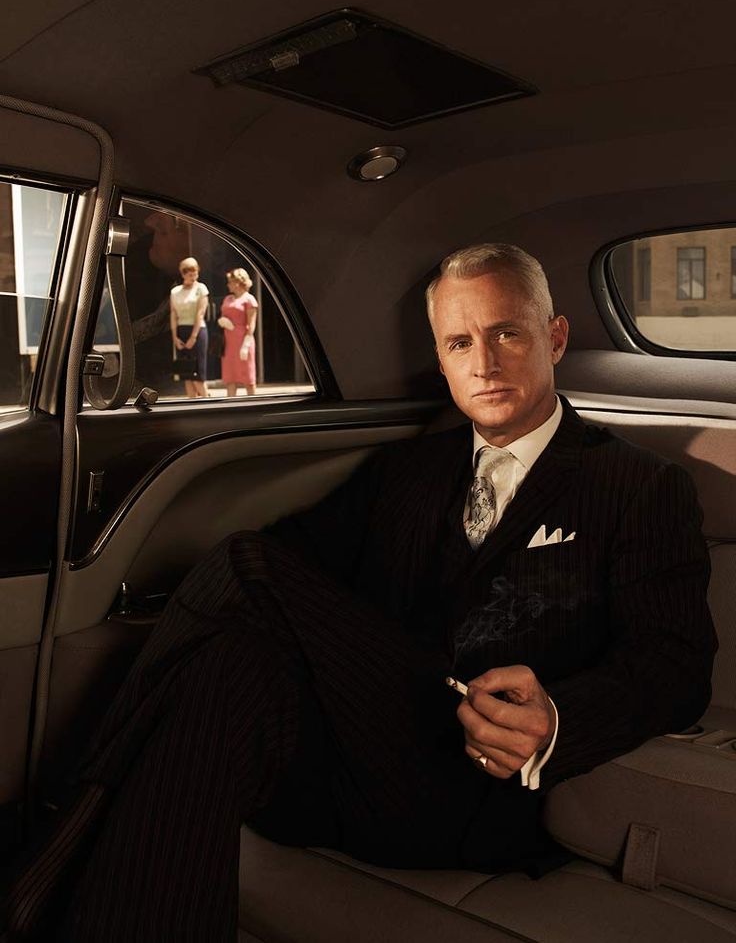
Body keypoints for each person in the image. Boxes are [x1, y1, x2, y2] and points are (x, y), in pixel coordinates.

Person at [4, 244, 716, 942]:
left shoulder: (640, 486)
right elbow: (299, 568)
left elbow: (675, 664)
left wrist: (557, 721)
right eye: (460, 342)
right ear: (440, 360)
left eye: (507, 333)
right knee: (226, 667)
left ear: (553, 338)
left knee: (246, 564)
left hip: (483, 793)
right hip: (358, 758)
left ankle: (60, 837)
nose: (484, 362)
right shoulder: (406, 471)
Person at [170, 256, 209, 398]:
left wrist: (193, 337)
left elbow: (200, 313)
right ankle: (191, 404)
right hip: (181, 330)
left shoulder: (201, 288)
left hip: (197, 331)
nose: (194, 277)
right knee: (186, 373)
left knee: (198, 374)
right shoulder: (175, 291)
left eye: (196, 273)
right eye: (190, 274)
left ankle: (207, 403)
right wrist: (175, 337)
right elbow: (173, 314)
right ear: (183, 274)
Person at [217, 268, 259, 396]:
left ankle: (254, 406)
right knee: (230, 378)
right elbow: (223, 316)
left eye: (230, 282)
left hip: (243, 340)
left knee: (248, 378)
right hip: (229, 342)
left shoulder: (249, 299)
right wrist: (222, 321)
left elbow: (251, 324)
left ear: (238, 282)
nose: (228, 284)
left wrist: (245, 345)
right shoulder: (228, 299)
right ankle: (230, 407)